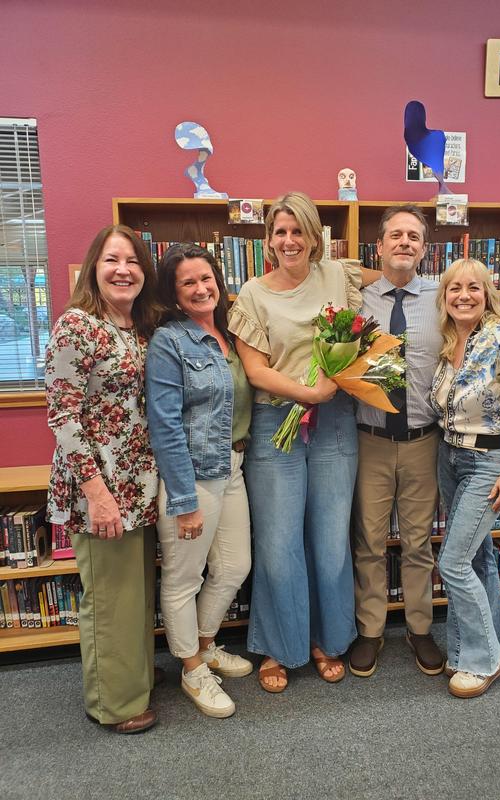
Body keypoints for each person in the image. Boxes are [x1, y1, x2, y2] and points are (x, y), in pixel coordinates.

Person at [228, 191, 380, 692]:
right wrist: (311, 391)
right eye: (280, 232)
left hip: (335, 421)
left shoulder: (338, 274)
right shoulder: (252, 293)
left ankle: (326, 641)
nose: (289, 241)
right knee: (278, 544)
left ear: (315, 238)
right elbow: (255, 371)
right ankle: (279, 645)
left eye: (299, 231)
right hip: (278, 426)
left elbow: (388, 287)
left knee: (331, 541)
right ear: (268, 240)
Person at [45, 224, 162, 734]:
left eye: (133, 261)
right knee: (110, 598)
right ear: (95, 267)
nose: (123, 269)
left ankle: (133, 677)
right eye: (112, 260)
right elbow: (62, 415)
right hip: (100, 487)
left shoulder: (137, 328)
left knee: (135, 591)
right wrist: (97, 494)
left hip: (136, 484)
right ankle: (113, 703)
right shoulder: (77, 326)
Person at [145, 244, 253, 718]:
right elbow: (164, 422)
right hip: (192, 476)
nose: (200, 288)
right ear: (174, 293)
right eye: (188, 282)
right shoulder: (170, 342)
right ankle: (192, 668)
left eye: (205, 278)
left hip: (233, 467)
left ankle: (205, 645)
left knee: (234, 567)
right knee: (184, 578)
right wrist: (184, 498)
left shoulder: (230, 332)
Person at [431, 258, 500, 698]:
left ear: (487, 291)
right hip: (450, 456)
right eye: (454, 288)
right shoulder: (449, 338)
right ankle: (490, 643)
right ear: (445, 295)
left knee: (452, 562)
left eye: (473, 287)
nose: (463, 295)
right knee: (478, 559)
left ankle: (482, 661)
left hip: (489, 461)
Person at [350, 205, 446, 679]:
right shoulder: (357, 298)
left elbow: (486, 320)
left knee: (417, 542)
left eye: (413, 236)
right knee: (367, 540)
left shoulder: (442, 296)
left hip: (422, 442)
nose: (404, 242)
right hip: (368, 440)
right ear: (380, 245)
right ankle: (370, 630)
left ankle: (419, 627)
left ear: (423, 248)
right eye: (396, 235)